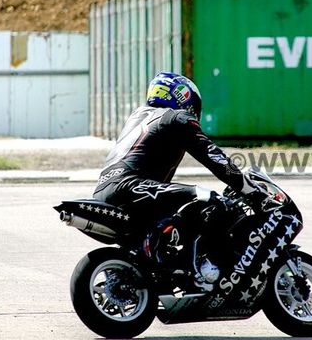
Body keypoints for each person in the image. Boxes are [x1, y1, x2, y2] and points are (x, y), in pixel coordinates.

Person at [93, 72, 266, 291]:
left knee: (178, 211)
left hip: (105, 189)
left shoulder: (138, 117)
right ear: (183, 97)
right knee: (212, 200)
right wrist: (249, 189)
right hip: (131, 186)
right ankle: (199, 270)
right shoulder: (176, 117)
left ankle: (158, 267)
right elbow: (214, 157)